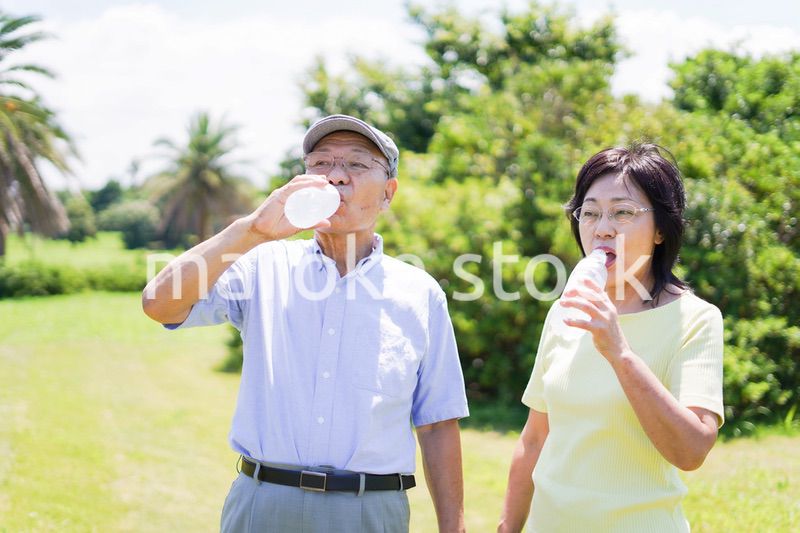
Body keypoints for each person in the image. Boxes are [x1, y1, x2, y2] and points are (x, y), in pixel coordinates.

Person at [142, 114, 469, 532]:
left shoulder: (419, 293)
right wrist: (252, 230)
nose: (336, 177)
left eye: (356, 164)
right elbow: (159, 305)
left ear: (388, 193)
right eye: (321, 164)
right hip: (263, 505)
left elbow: (439, 423)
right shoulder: (261, 263)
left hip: (370, 512)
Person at [498, 144, 724, 532]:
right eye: (589, 212)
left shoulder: (695, 319)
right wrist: (507, 527)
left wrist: (619, 352)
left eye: (622, 212)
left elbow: (692, 451)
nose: (602, 227)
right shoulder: (565, 312)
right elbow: (535, 439)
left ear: (659, 230)